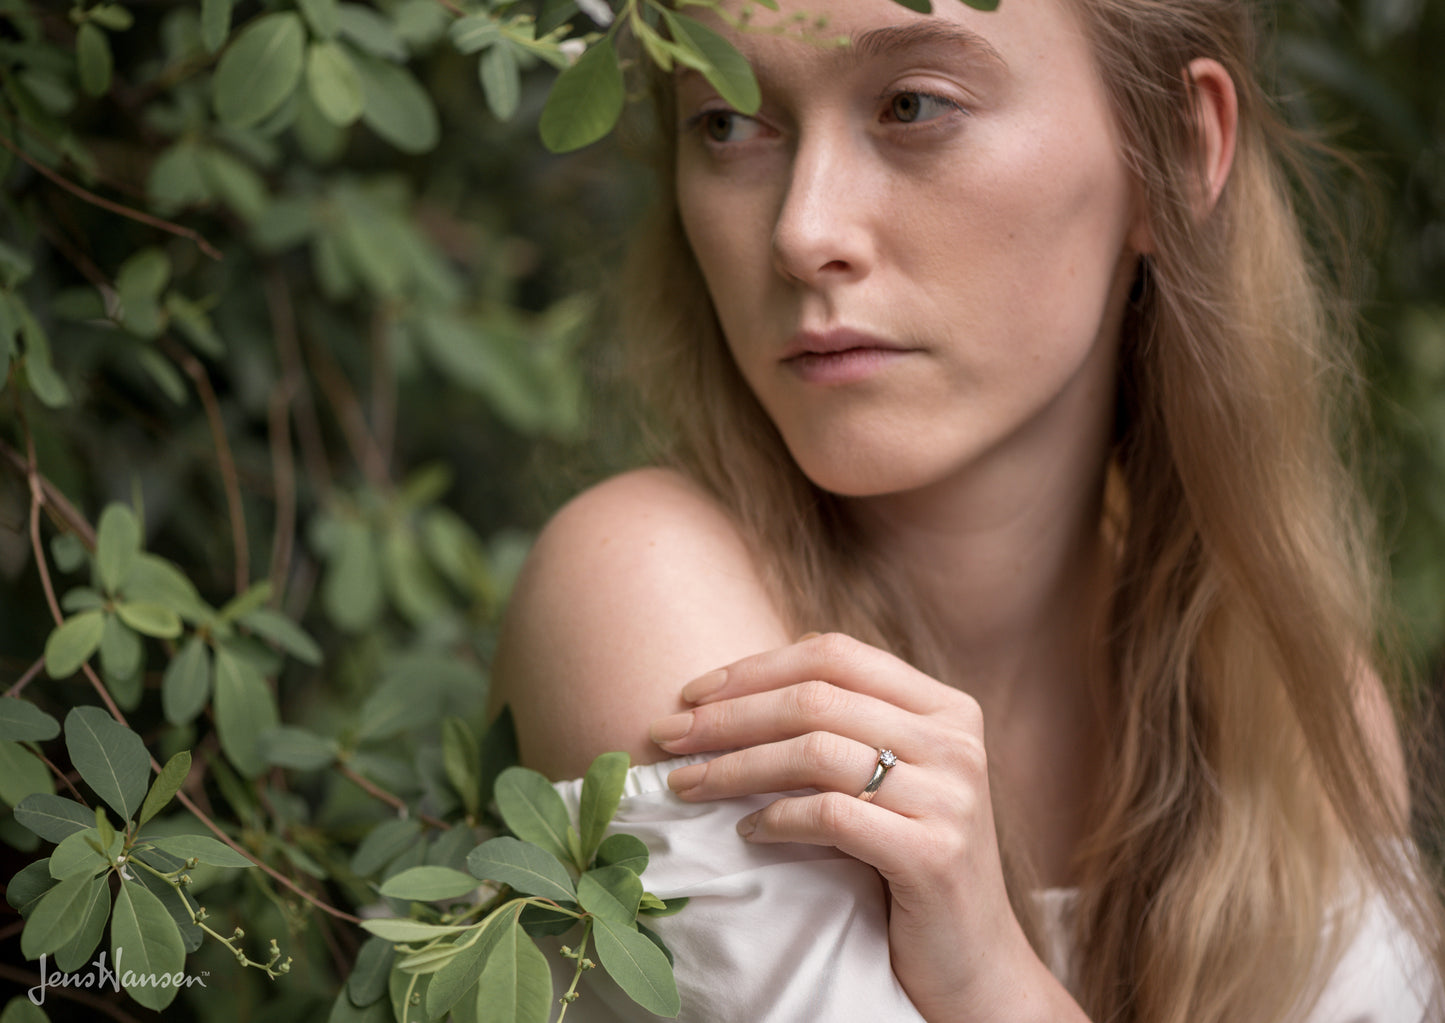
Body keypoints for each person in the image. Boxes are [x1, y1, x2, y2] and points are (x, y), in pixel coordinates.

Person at [489, 0, 1445, 1018]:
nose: (802, 233)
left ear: (1172, 148)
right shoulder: (643, 590)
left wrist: (993, 979)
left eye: (913, 105)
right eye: (724, 123)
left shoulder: (1295, 704)